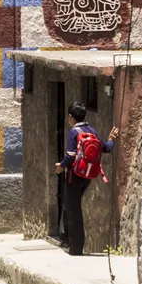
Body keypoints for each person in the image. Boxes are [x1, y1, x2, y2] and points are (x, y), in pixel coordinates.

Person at [57, 102, 119, 257]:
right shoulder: (92, 131)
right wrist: (111, 139)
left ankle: (75, 249)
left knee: (73, 210)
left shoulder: (73, 132)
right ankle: (70, 241)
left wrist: (61, 166)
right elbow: (106, 148)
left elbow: (70, 156)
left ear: (70, 117)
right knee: (73, 207)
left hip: (74, 176)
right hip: (88, 176)